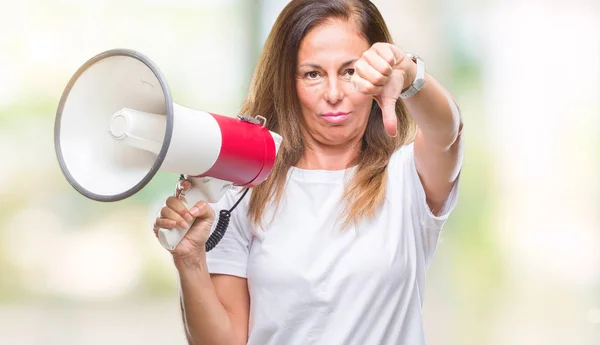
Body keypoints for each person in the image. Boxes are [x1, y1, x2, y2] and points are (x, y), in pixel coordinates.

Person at [152, 0, 463, 344]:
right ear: (288, 82)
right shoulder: (243, 191)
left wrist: (409, 75)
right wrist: (190, 261)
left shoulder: (408, 179)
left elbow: (447, 131)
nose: (333, 94)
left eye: (350, 72)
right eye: (312, 74)